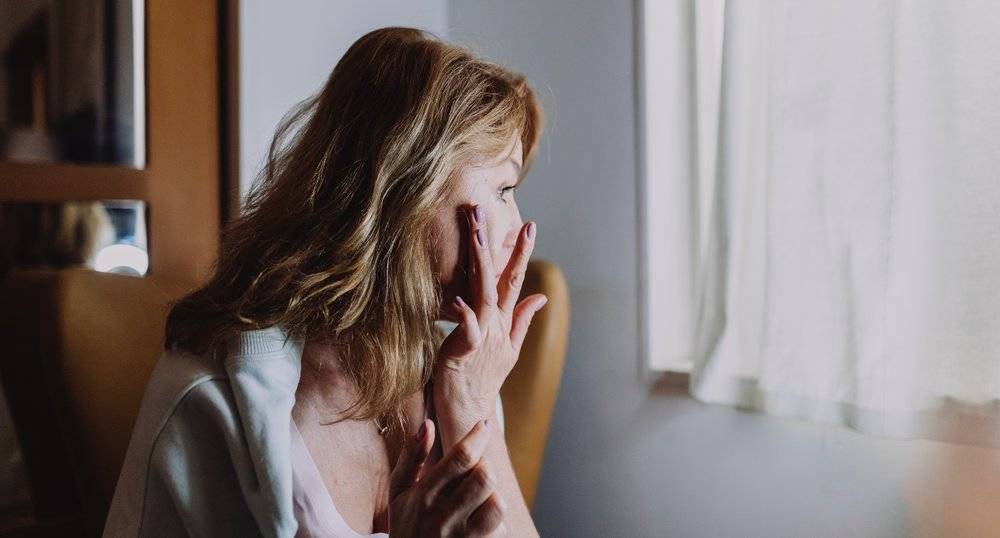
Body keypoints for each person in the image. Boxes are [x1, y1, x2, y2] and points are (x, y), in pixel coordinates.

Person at [104, 26, 547, 537]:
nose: (518, 227)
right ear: (405, 190)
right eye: (503, 189)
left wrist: (472, 406)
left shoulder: (460, 373)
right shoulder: (207, 398)